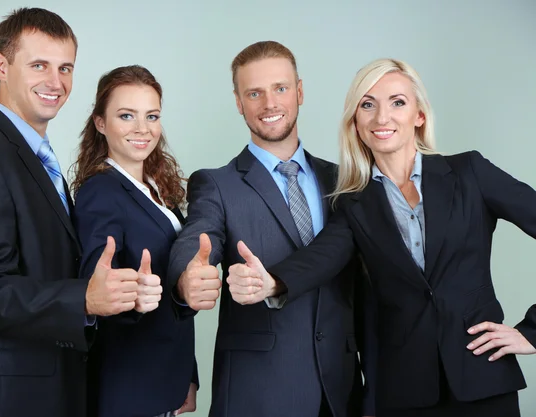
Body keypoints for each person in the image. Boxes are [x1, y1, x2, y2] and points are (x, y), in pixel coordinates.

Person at [227, 57, 536, 417]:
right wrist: (271, 282)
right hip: (404, 392)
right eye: (367, 105)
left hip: (483, 378)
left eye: (397, 103)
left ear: (418, 115)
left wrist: (531, 332)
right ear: (356, 123)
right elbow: (322, 256)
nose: (382, 117)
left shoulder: (469, 173)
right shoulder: (355, 203)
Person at [0, 8, 142, 417]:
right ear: (1, 65)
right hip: (0, 400)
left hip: (45, 391)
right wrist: (83, 298)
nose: (56, 82)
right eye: (39, 65)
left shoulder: (35, 158)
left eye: (65, 67)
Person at [168, 41, 365, 417]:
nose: (269, 104)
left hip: (341, 392)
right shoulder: (217, 184)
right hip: (258, 395)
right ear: (239, 103)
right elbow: (196, 238)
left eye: (280, 88)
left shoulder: (344, 182)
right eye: (254, 93)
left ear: (300, 92)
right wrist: (186, 277)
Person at [72, 65, 198, 417]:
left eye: (152, 116)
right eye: (126, 116)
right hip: (129, 387)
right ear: (100, 123)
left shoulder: (160, 190)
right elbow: (96, 290)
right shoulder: (101, 192)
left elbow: (175, 285)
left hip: (165, 380)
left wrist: (188, 373)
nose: (142, 129)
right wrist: (132, 299)